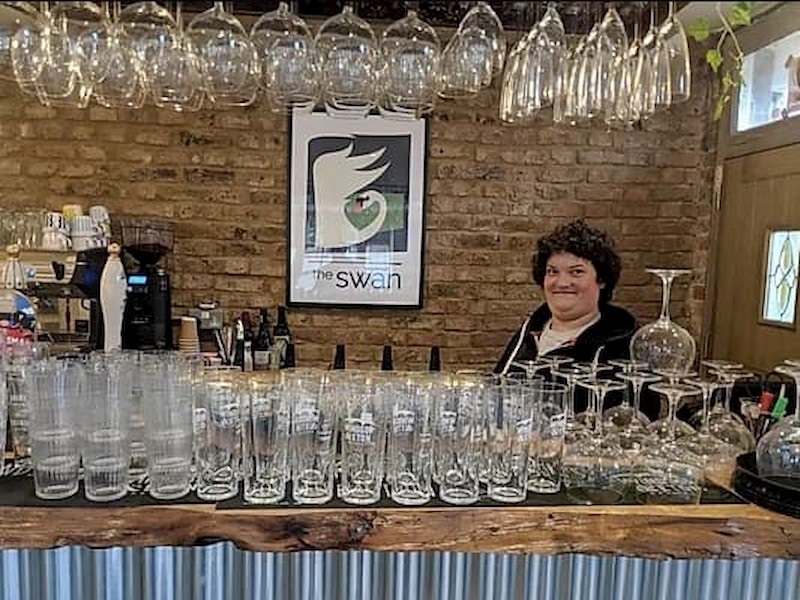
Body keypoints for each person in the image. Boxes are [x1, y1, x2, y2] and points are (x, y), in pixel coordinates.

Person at [495, 219, 638, 375]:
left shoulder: (621, 344)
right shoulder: (530, 329)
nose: (562, 283)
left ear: (601, 279)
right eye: (552, 272)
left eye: (576, 272)